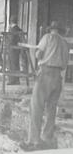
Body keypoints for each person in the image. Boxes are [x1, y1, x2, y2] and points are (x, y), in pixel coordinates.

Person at [21, 21, 69, 151]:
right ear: (60, 30)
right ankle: (47, 138)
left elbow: (38, 54)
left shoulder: (47, 37)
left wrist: (42, 56)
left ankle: (34, 141)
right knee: (51, 109)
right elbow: (65, 64)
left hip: (45, 74)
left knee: (36, 107)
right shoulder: (65, 43)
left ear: (51, 29)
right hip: (58, 77)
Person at [7, 15, 23, 85]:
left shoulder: (12, 30)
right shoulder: (19, 29)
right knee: (16, 64)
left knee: (11, 64)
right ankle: (17, 80)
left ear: (10, 22)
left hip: (12, 48)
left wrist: (7, 43)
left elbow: (11, 39)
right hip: (18, 49)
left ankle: (12, 80)